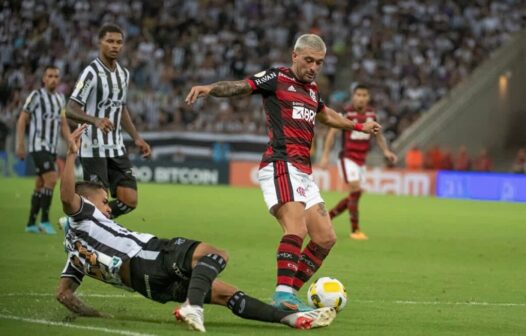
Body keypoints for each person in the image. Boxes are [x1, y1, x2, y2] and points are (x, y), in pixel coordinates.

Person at [56, 125, 336, 332]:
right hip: (147, 255)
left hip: (147, 287)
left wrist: (96, 315)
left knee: (226, 294)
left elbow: (64, 295)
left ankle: (290, 319)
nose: (108, 208)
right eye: (104, 202)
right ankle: (193, 305)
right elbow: (68, 197)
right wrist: (71, 156)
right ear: (88, 201)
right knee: (216, 254)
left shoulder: (74, 252)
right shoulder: (84, 213)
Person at [185, 34, 381, 312]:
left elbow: (327, 116)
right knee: (297, 228)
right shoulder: (277, 78)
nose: (314, 67)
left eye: (320, 63)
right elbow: (242, 86)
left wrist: (359, 127)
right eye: (309, 60)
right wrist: (210, 88)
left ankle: (289, 294)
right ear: (295, 56)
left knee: (325, 237)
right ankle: (283, 294)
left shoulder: (312, 91)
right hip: (280, 163)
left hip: (303, 171)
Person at [64, 23, 151, 219]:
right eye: (110, 41)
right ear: (99, 43)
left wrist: (136, 137)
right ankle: (92, 234)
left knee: (130, 199)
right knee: (98, 199)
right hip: (93, 145)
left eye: (119, 42)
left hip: (116, 145)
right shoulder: (91, 73)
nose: (115, 46)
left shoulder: (124, 74)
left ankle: (79, 220)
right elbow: (70, 108)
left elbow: (120, 107)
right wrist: (94, 120)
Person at [319, 84, 397, 240]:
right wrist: (325, 156)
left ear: (368, 98)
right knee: (355, 188)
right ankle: (355, 230)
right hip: (347, 158)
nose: (361, 98)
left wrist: (386, 151)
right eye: (358, 95)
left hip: (361, 161)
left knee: (356, 193)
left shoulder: (372, 115)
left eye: (364, 95)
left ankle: (327, 217)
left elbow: (379, 136)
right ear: (353, 96)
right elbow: (332, 134)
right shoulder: (346, 113)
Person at [15, 65, 71, 234]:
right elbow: (22, 119)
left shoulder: (60, 98)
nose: (53, 79)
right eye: (50, 76)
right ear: (44, 79)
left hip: (52, 147)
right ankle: (45, 221)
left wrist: (71, 142)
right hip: (38, 145)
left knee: (40, 183)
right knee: (52, 178)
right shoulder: (36, 96)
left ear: (59, 79)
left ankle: (31, 223)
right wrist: (20, 144)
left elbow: (63, 123)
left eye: (56, 76)